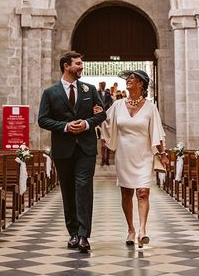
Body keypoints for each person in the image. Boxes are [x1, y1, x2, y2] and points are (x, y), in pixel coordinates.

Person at [38, 51, 107, 253]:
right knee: (68, 191)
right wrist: (66, 127)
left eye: (81, 63)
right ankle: (74, 233)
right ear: (66, 66)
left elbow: (101, 113)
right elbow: (42, 119)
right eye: (77, 64)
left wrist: (86, 123)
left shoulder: (89, 90)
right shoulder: (50, 93)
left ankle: (85, 235)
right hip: (63, 149)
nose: (81, 67)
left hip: (85, 148)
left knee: (84, 189)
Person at [101, 69, 167, 248]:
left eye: (133, 78)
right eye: (128, 78)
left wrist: (162, 153)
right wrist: (98, 113)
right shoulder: (118, 105)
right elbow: (106, 123)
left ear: (141, 84)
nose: (129, 80)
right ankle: (131, 229)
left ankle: (143, 229)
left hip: (144, 154)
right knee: (126, 193)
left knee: (143, 192)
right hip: (124, 155)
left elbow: (157, 133)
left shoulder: (150, 107)